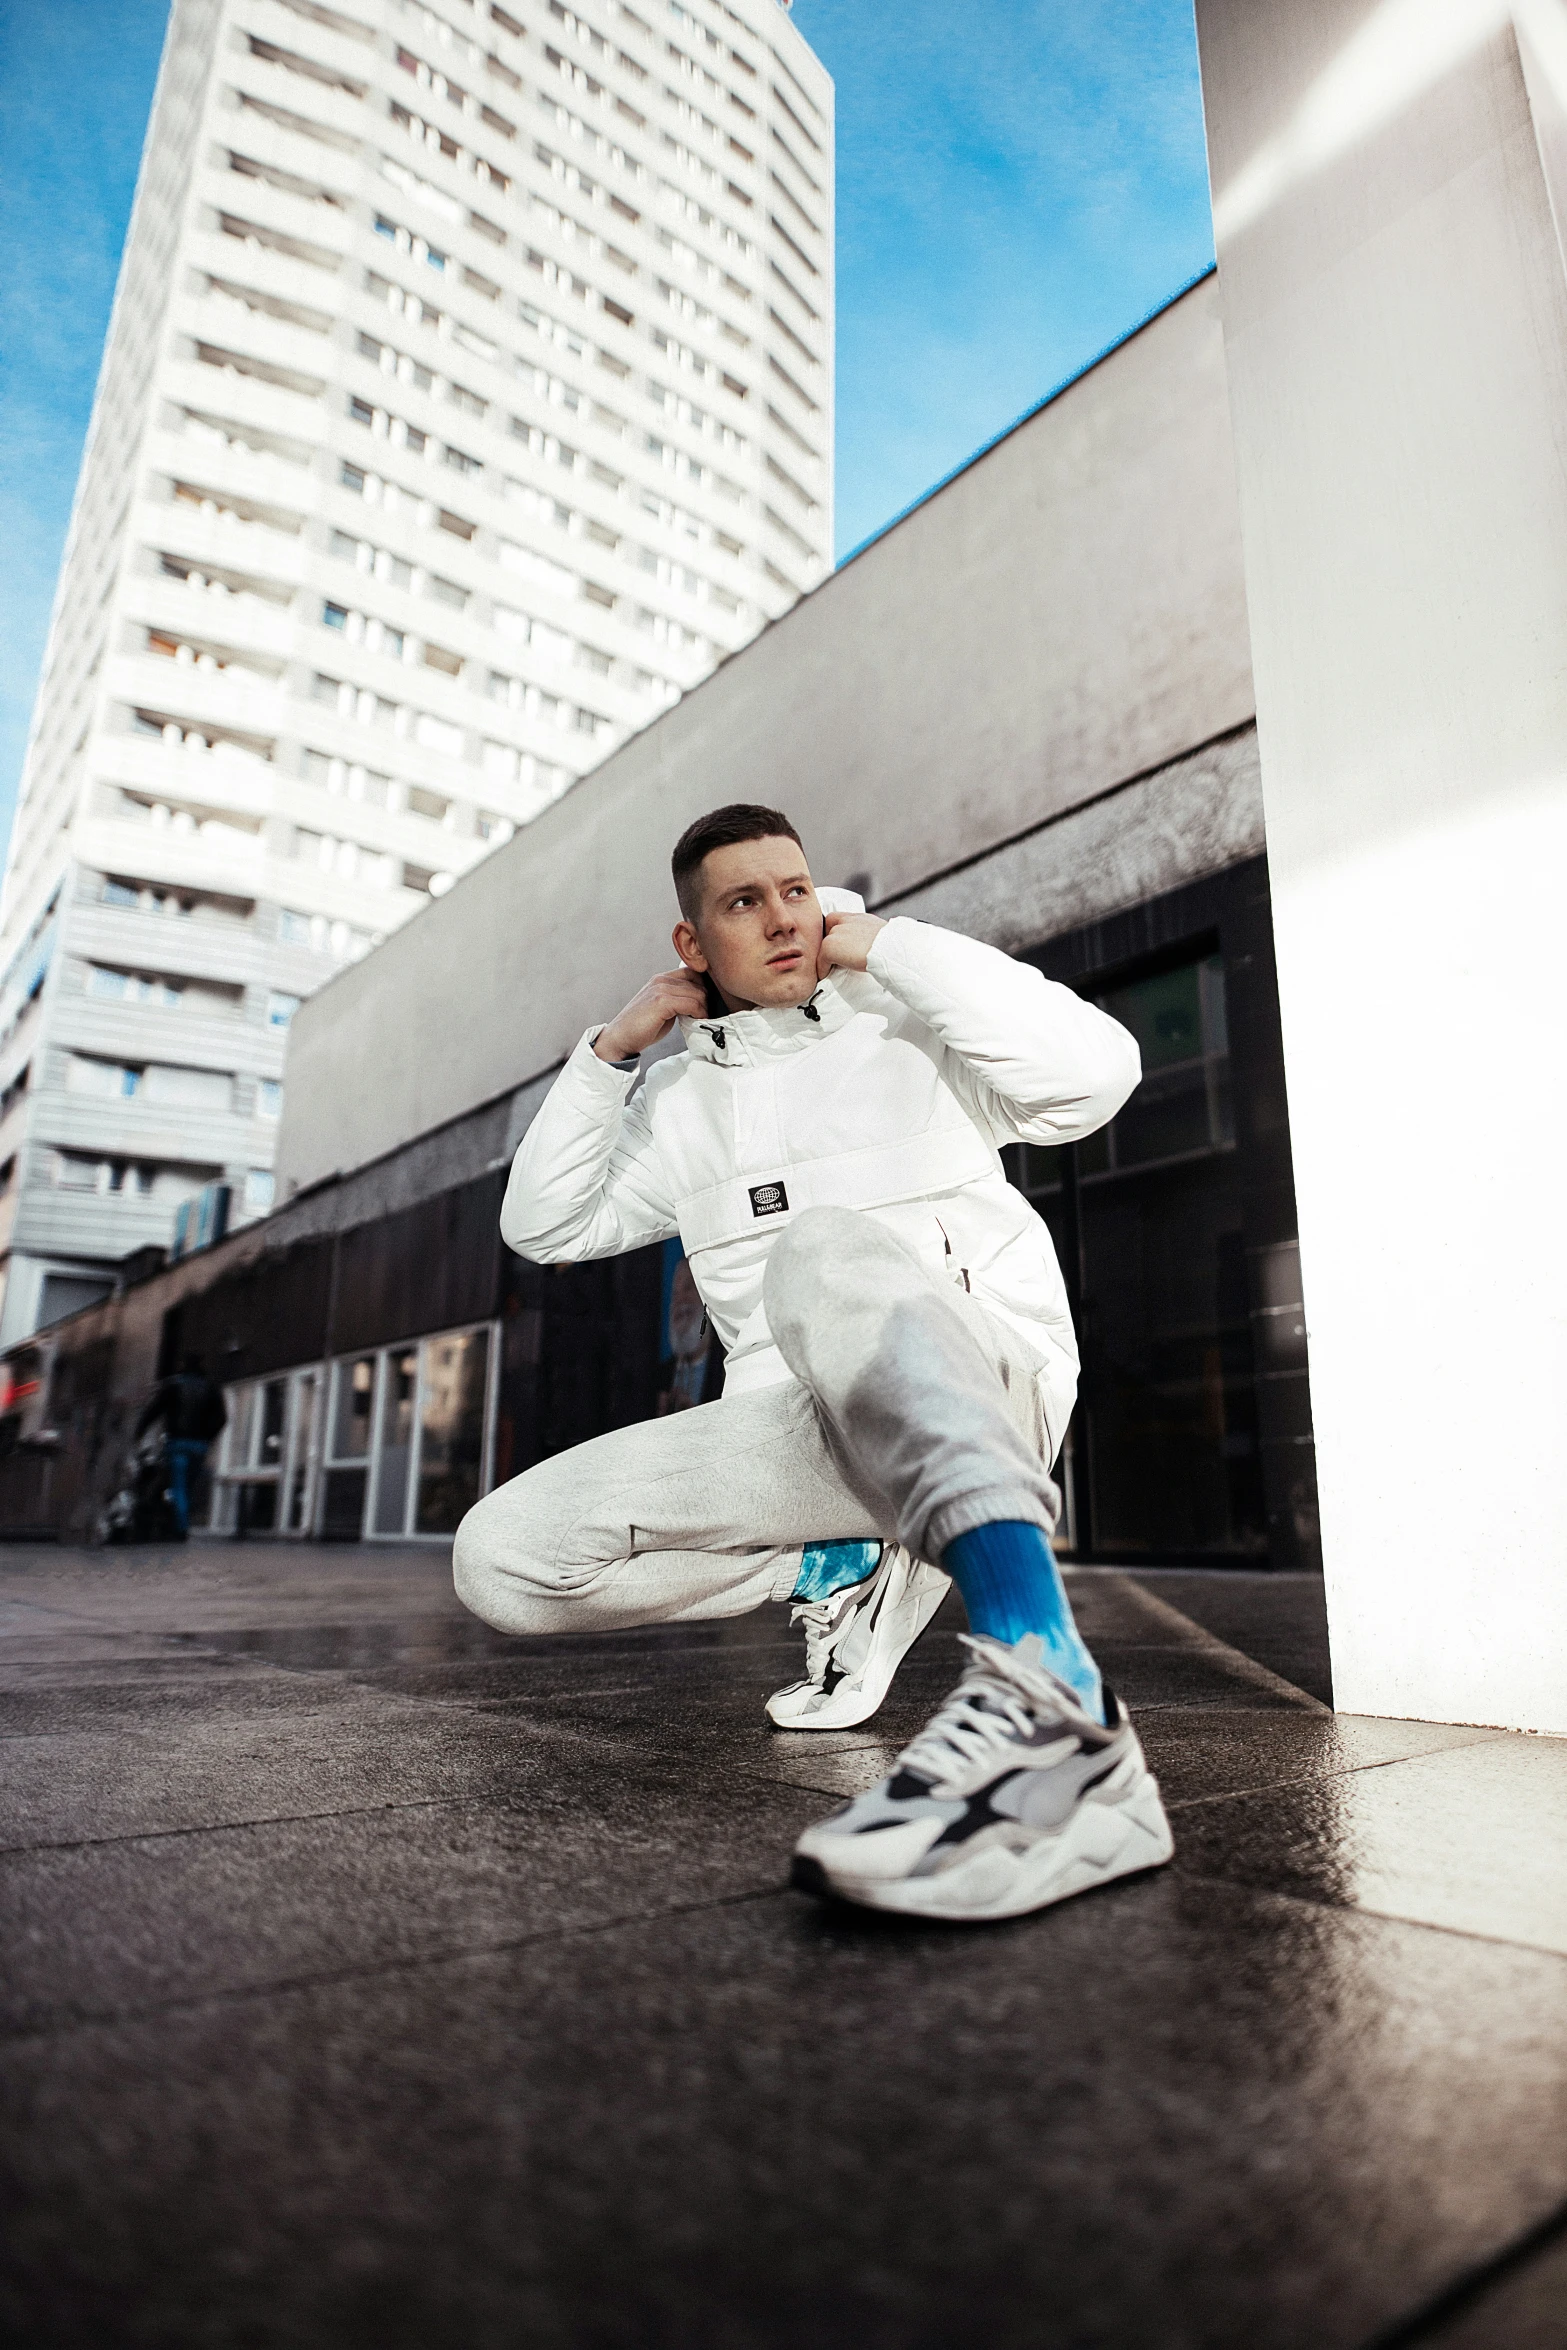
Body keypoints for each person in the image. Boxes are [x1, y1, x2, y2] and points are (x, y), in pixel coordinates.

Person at [454, 805, 1175, 1922]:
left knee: (822, 1249)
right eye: (744, 902)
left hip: (983, 1387)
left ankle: (1048, 1686)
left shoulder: (907, 1019)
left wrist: (890, 943)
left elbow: (1096, 1075)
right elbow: (545, 1226)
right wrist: (610, 1054)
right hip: (816, 1436)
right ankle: (842, 1562)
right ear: (692, 945)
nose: (784, 918)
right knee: (500, 1560)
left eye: (795, 889)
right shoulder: (679, 1101)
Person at [133, 1352, 227, 1538]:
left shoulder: (174, 1385)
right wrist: (208, 1436)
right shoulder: (211, 1388)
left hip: (177, 1442)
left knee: (179, 1486)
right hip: (199, 1446)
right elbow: (222, 1418)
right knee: (189, 1486)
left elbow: (154, 1410)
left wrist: (140, 1431)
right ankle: (180, 1522)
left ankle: (180, 1528)